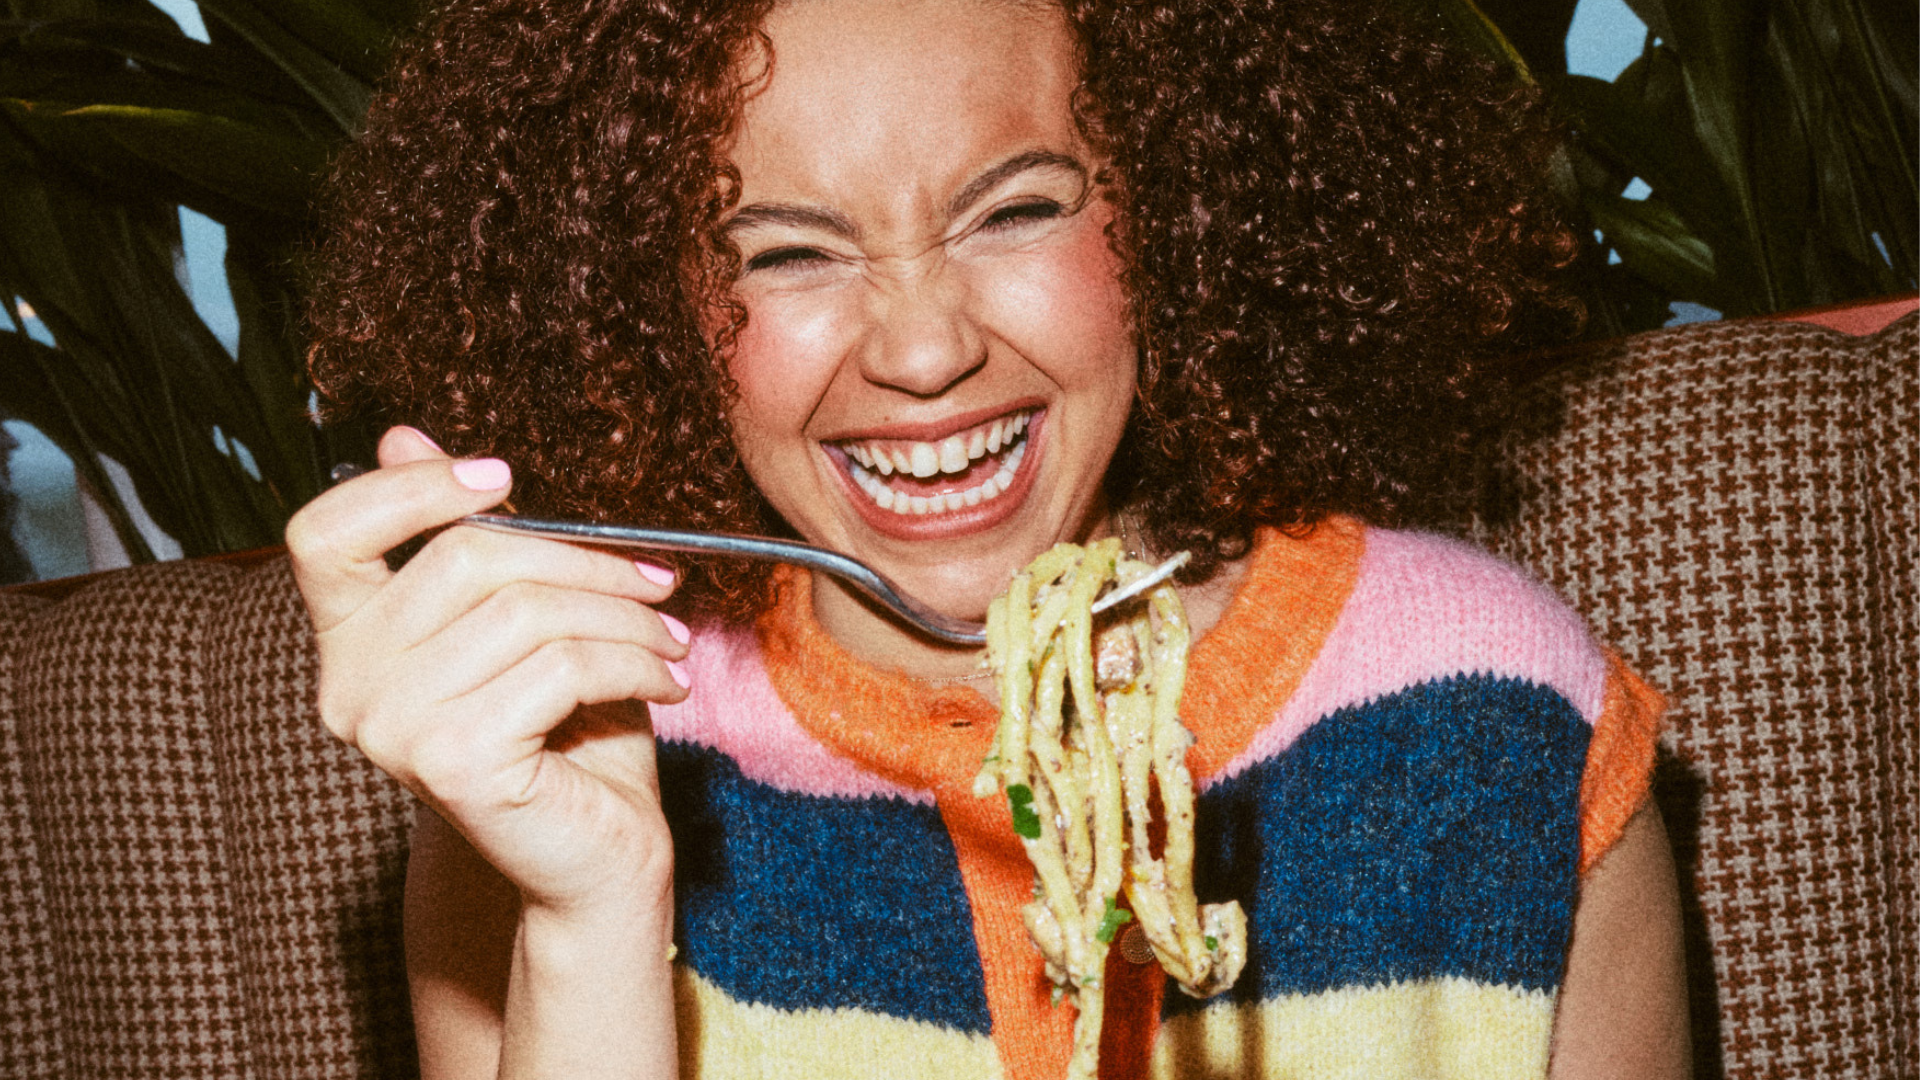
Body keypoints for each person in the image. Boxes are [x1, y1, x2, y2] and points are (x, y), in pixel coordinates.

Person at [287, 0, 1691, 1076]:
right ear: (637, 305)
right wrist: (593, 915)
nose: (921, 348)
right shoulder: (568, 771)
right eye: (783, 250)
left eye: (1015, 209)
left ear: (1188, 209)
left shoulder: (1505, 716)